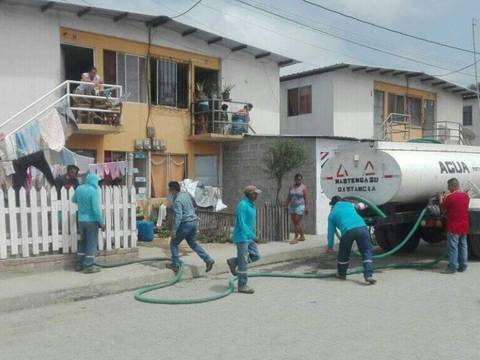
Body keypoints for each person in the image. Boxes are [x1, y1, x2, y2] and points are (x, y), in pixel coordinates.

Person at [166, 181, 215, 273]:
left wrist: (174, 230)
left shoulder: (177, 201)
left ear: (173, 190)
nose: (168, 191)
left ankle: (175, 264)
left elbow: (178, 217)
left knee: (174, 243)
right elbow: (192, 207)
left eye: (169, 189)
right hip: (193, 222)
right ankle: (208, 259)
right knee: (193, 244)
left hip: (185, 224)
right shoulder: (186, 195)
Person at [327, 195, 376, 285]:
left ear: (333, 205)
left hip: (348, 231)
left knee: (344, 253)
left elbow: (330, 232)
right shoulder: (349, 205)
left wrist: (330, 246)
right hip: (362, 228)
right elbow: (361, 205)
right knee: (366, 251)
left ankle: (342, 274)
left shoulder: (332, 215)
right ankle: (368, 275)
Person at [227, 185, 262, 294]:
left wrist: (253, 233)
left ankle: (234, 261)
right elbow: (242, 223)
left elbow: (249, 222)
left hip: (248, 236)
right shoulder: (242, 205)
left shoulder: (252, 205)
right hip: (242, 237)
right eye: (255, 193)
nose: (257, 195)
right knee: (243, 262)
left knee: (255, 255)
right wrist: (252, 236)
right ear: (250, 194)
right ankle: (242, 285)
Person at [72, 173, 105, 274]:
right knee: (91, 243)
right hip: (91, 221)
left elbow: (73, 200)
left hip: (81, 221)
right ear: (94, 181)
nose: (98, 183)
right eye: (97, 181)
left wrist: (83, 205)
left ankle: (79, 264)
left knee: (82, 242)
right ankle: (89, 266)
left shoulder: (79, 188)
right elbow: (95, 209)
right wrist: (101, 222)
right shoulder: (93, 191)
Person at [439, 178, 470, 274]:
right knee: (463, 246)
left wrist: (441, 198)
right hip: (464, 225)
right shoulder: (466, 196)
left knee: (453, 247)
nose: (448, 188)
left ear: (452, 186)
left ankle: (452, 268)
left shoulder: (450, 197)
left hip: (454, 226)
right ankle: (463, 266)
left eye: (448, 186)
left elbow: (443, 210)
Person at [287, 173, 308, 244]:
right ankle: (302, 236)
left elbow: (305, 198)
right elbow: (289, 197)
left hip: (300, 206)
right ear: (295, 179)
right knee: (296, 222)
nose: (299, 180)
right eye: (297, 179)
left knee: (297, 222)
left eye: (300, 179)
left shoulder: (303, 187)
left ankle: (295, 238)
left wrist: (306, 208)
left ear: (301, 179)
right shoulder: (291, 187)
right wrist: (286, 204)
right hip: (292, 206)